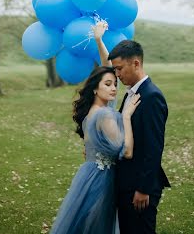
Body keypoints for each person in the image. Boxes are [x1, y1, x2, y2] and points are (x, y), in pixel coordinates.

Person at [94, 26, 170, 234]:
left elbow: (153, 147)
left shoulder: (151, 96)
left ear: (136, 63)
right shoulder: (131, 92)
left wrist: (143, 189)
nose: (116, 75)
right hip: (126, 182)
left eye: (119, 69)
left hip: (140, 187)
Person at [50, 64, 141, 234]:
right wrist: (127, 117)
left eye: (115, 83)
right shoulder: (104, 115)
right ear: (94, 89)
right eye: (108, 84)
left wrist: (99, 41)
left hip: (89, 173)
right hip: (103, 178)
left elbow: (107, 64)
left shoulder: (93, 111)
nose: (114, 88)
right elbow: (127, 152)